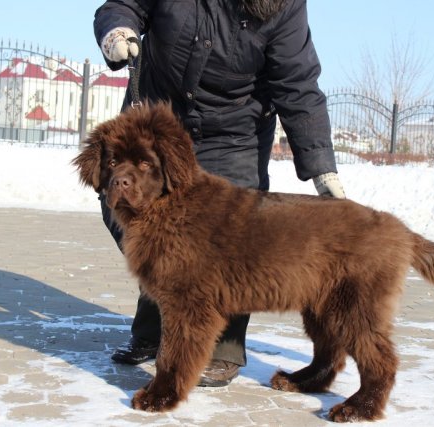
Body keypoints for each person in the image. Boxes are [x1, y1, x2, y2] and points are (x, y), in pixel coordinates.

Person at [93, 0, 346, 387]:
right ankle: (156, 331)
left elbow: (297, 82)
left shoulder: (284, 5)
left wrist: (321, 168)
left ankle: (223, 348)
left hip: (235, 134)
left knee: (230, 240)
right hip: (162, 117)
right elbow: (125, 5)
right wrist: (117, 30)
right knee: (139, 225)